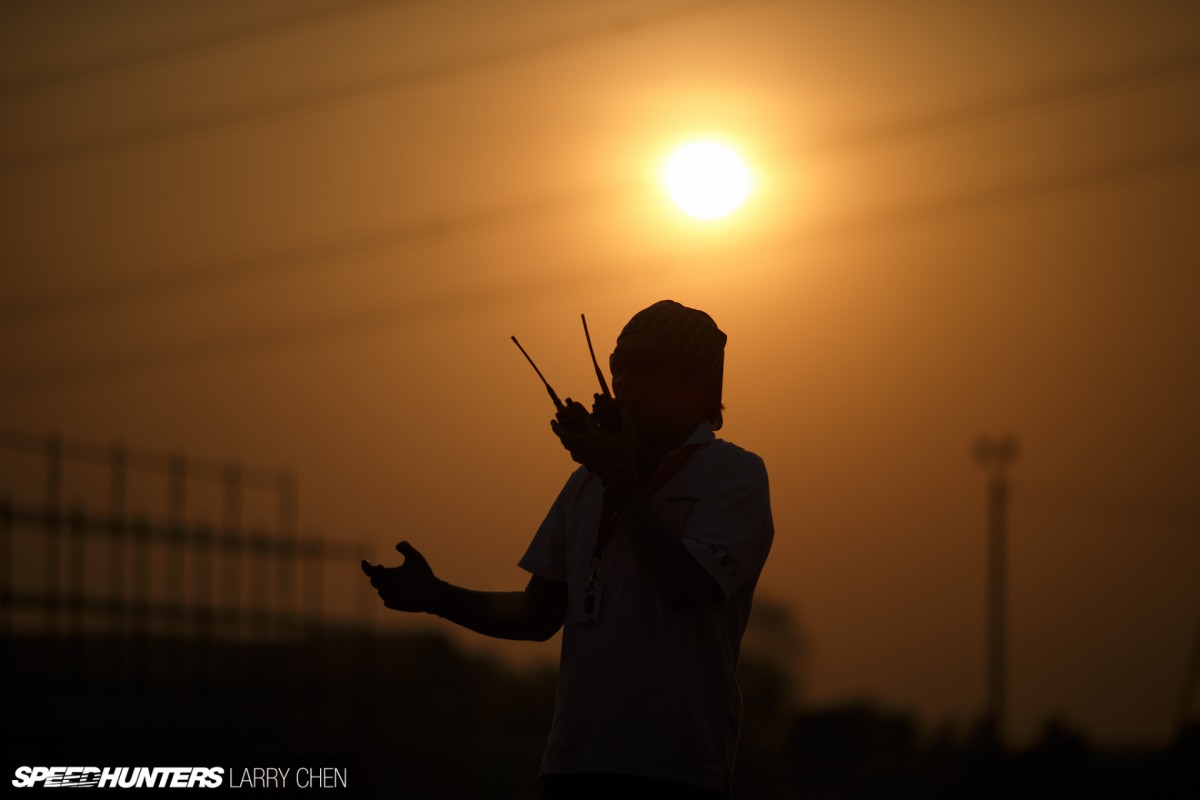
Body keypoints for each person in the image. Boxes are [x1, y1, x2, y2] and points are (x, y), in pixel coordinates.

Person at [362, 300, 774, 798]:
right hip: (572, 763)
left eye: (645, 366)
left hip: (676, 769)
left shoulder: (734, 474)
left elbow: (688, 586)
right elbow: (537, 616)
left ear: (697, 383)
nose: (623, 380)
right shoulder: (585, 484)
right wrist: (436, 596)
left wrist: (618, 478)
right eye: (618, 365)